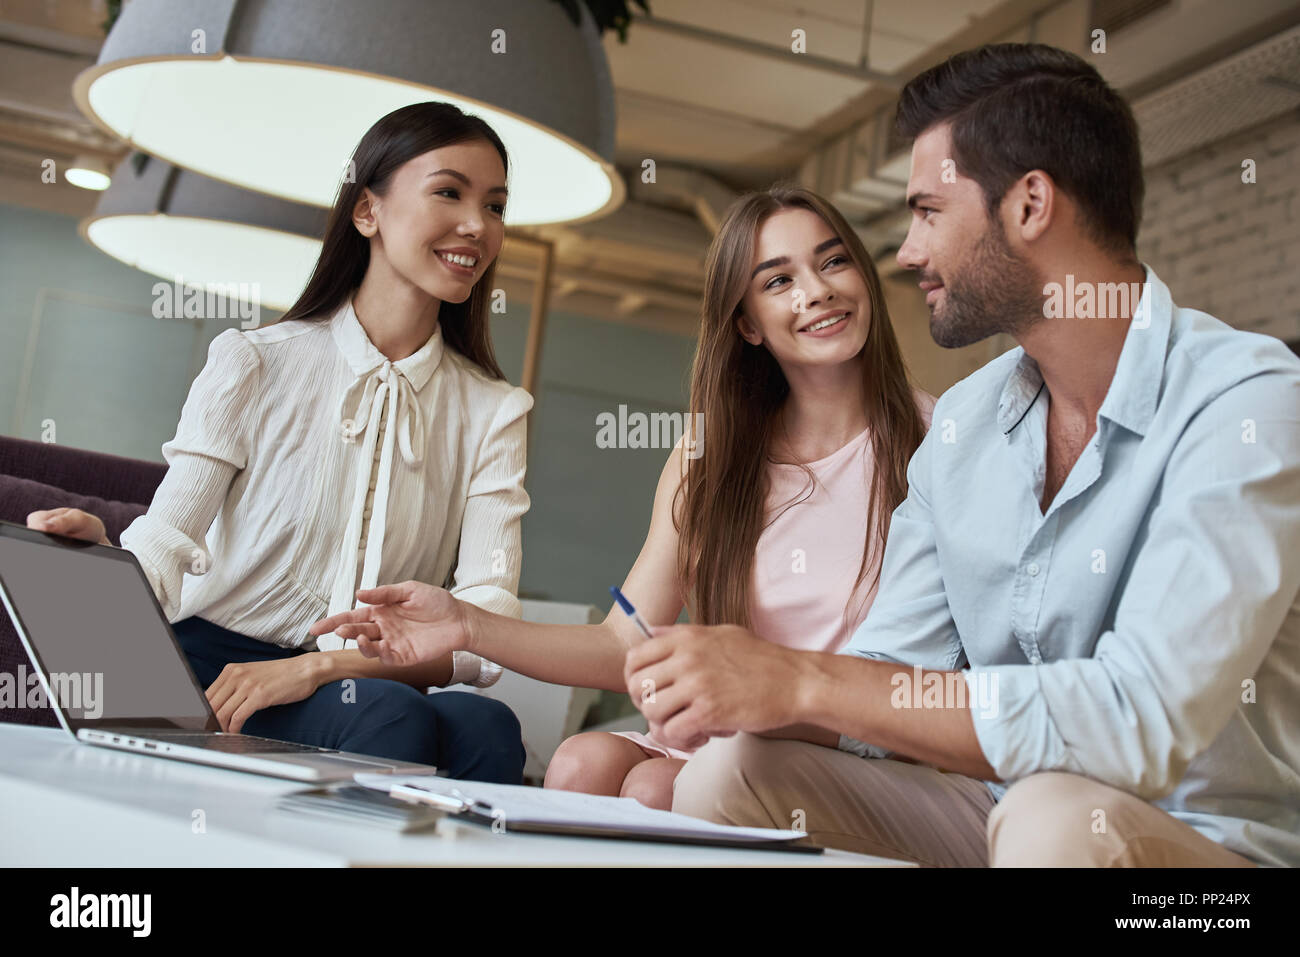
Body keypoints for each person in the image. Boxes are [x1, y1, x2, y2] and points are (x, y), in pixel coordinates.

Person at [613, 42, 1300, 867]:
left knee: (1053, 821)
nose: (903, 251)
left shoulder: (1246, 398)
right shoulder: (967, 423)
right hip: (997, 808)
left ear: (1030, 205)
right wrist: (739, 682)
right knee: (730, 773)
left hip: (1203, 863)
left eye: (928, 211)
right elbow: (891, 671)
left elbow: (1136, 717)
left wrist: (801, 679)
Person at [310, 184, 934, 809]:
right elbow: (627, 640)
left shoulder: (937, 438)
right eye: (777, 281)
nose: (816, 290)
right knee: (582, 763)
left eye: (833, 261)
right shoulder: (709, 454)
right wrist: (466, 623)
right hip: (725, 734)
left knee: (656, 787)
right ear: (746, 324)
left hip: (841, 739)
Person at [27, 102, 530, 783]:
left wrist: (324, 664)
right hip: (222, 665)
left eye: (495, 205)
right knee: (391, 717)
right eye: (450, 192)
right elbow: (167, 541)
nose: (478, 224)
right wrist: (104, 569)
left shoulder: (494, 409)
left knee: (487, 725)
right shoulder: (254, 361)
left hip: (362, 675)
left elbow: (486, 626)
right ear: (367, 212)